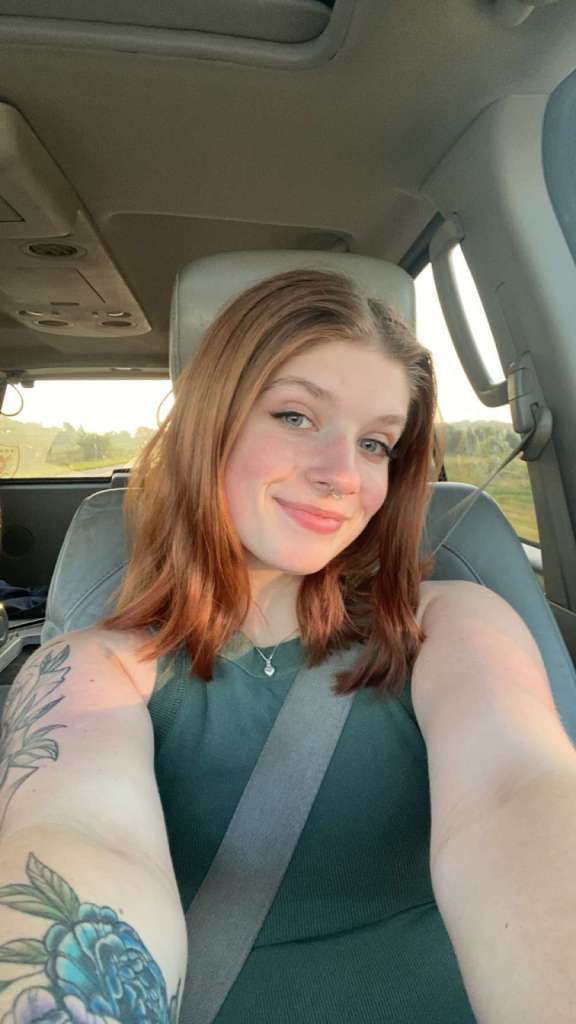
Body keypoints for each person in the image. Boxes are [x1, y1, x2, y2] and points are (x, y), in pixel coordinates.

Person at [0, 269, 574, 1024]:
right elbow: (77, 837)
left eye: (375, 443)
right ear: (212, 422)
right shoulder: (89, 669)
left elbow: (517, 796)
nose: (342, 475)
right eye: (296, 416)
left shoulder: (453, 626)